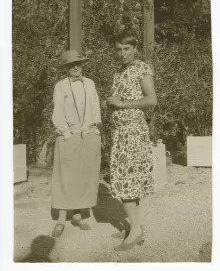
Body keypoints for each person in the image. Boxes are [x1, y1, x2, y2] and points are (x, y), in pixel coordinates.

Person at [107, 33, 158, 251]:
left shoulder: (142, 68)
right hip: (121, 132)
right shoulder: (119, 71)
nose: (122, 53)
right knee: (130, 180)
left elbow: (151, 99)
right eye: (118, 49)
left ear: (134, 49)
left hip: (133, 133)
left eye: (126, 49)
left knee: (126, 181)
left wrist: (122, 104)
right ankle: (135, 227)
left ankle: (135, 232)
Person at [51, 49, 102, 238]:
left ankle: (78, 216)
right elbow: (58, 112)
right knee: (65, 176)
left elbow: (95, 107)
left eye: (78, 63)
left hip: (88, 135)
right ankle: (61, 220)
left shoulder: (90, 83)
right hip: (68, 135)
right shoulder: (61, 86)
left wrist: (96, 129)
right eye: (71, 64)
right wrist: (66, 133)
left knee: (83, 175)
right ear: (66, 67)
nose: (76, 67)